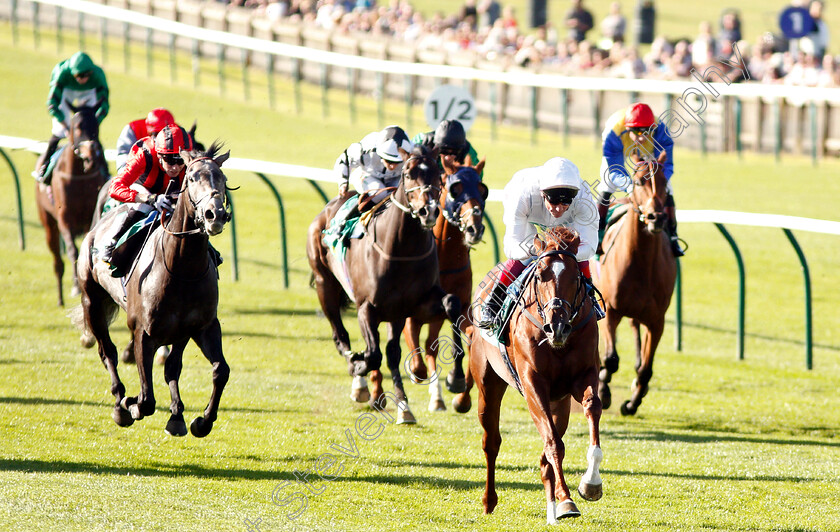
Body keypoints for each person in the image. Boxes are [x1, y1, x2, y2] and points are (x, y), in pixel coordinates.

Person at [476, 157, 604, 329]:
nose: (558, 209)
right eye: (553, 201)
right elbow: (512, 247)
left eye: (566, 201)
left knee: (575, 251)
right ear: (542, 194)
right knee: (524, 254)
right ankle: (494, 301)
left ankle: (590, 296)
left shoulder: (584, 199)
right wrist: (540, 250)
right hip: (528, 213)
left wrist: (561, 251)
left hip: (568, 221)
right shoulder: (522, 194)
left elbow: (589, 248)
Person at [96, 125, 195, 268]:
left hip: (173, 191)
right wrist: (150, 199)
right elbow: (114, 188)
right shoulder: (145, 154)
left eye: (180, 160)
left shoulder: (190, 159)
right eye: (169, 160)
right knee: (142, 206)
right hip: (144, 189)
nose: (175, 167)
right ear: (159, 155)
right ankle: (113, 244)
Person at [597, 102, 683, 257]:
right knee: (607, 184)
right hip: (620, 149)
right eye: (637, 132)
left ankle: (673, 236)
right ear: (628, 128)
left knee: (668, 187)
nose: (642, 136)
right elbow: (614, 169)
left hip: (650, 153)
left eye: (646, 131)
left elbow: (667, 166)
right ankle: (598, 234)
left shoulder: (660, 131)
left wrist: (658, 180)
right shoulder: (614, 132)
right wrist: (630, 187)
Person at [35, 51, 109, 184]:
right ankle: (44, 167)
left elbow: (104, 106)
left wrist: (92, 123)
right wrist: (66, 126)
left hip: (89, 92)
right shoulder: (62, 73)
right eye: (79, 76)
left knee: (91, 135)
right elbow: (52, 104)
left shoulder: (98, 75)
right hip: (66, 92)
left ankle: (105, 172)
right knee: (58, 132)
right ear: (72, 73)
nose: (83, 79)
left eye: (87, 75)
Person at [334, 125, 414, 204]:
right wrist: (343, 182)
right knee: (379, 193)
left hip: (396, 178)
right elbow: (344, 160)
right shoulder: (366, 148)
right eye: (389, 161)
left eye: (397, 162)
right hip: (368, 175)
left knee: (403, 194)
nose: (392, 166)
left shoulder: (412, 152)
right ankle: (351, 214)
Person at [115, 108, 176, 172]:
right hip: (138, 175)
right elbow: (123, 157)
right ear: (149, 130)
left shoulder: (178, 133)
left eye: (166, 134)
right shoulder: (133, 129)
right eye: (157, 133)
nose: (161, 138)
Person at [412, 119, 481, 176]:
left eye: (454, 152)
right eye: (443, 151)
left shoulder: (468, 153)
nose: (448, 157)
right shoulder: (422, 142)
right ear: (436, 145)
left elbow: (477, 178)